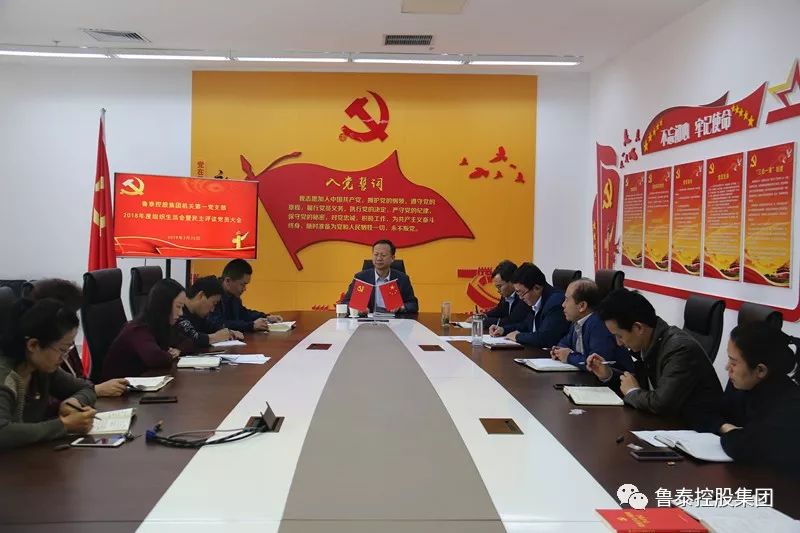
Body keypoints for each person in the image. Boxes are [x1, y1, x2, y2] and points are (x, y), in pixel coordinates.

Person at [586, 288, 722, 430]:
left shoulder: (679, 349)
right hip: (665, 423)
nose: (618, 343)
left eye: (619, 336)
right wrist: (608, 374)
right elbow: (638, 385)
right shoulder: (650, 342)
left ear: (638, 328)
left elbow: (661, 403)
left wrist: (632, 392)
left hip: (694, 429)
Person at [0, 299, 97, 450]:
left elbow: (86, 388)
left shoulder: (41, 368)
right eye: (62, 350)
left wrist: (73, 402)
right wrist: (64, 425)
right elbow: (3, 432)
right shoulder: (5, 377)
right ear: (33, 345)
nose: (64, 358)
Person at [717, 322, 800, 475]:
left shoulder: (789, 407)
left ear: (760, 370)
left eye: (733, 362)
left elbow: (743, 447)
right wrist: (726, 427)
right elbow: (714, 412)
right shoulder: (745, 385)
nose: (727, 367)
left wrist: (726, 428)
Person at [28, 278, 128, 397]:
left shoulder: (63, 344)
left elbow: (79, 383)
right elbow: (53, 400)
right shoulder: (41, 360)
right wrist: (96, 390)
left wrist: (89, 392)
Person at [101, 279, 186, 380]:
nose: (181, 313)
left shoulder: (162, 324)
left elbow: (188, 342)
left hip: (141, 380)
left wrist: (178, 350)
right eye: (178, 307)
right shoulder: (137, 329)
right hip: (117, 387)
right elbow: (156, 359)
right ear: (164, 305)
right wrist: (169, 355)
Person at [550, 279, 634, 372]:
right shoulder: (577, 321)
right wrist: (558, 351)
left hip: (620, 378)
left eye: (567, 300)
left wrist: (569, 356)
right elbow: (564, 342)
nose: (563, 304)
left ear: (582, 306)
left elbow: (596, 363)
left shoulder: (599, 325)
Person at [488, 262, 569, 347]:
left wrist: (517, 336)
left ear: (536, 288)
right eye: (517, 293)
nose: (520, 298)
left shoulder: (555, 302)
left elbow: (545, 338)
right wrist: (503, 330)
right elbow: (525, 325)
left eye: (521, 293)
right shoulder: (536, 300)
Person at [341, 239, 419, 314]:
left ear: (392, 258)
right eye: (376, 254)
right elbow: (345, 302)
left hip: (394, 320)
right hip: (368, 320)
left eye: (383, 255)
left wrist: (401, 307)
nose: (379, 258)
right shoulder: (361, 278)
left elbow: (413, 304)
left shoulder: (402, 279)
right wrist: (357, 308)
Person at [207, 259, 282, 332]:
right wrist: (251, 325)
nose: (245, 289)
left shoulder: (233, 296)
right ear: (228, 281)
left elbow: (243, 313)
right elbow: (218, 324)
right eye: (242, 284)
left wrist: (266, 317)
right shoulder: (212, 295)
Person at [173, 275, 243, 352]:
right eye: (214, 303)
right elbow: (191, 338)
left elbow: (210, 326)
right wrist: (216, 337)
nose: (212, 310)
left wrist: (229, 332)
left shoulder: (198, 314)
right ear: (201, 295)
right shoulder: (178, 311)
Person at [482, 260, 530, 328]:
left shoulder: (522, 296)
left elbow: (512, 321)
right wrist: (484, 315)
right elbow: (500, 310)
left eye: (499, 286)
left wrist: (484, 321)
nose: (498, 290)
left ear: (512, 281)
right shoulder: (506, 294)